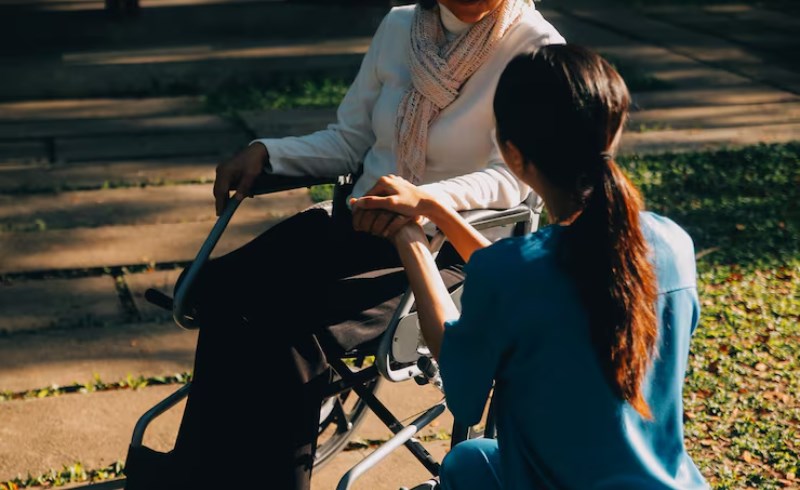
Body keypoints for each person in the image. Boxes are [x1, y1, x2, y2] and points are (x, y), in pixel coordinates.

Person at [122, 1, 564, 489]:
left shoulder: (534, 47)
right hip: (360, 222)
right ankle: (201, 472)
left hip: (447, 249)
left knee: (288, 327)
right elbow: (351, 138)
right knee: (220, 290)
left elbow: (513, 179)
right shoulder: (401, 26)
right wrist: (270, 153)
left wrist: (423, 201)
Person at [351, 44, 709, 489]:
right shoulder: (673, 244)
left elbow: (464, 393)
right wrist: (437, 210)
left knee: (466, 460)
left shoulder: (510, 272)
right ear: (612, 133)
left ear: (512, 155)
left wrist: (411, 242)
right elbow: (533, 277)